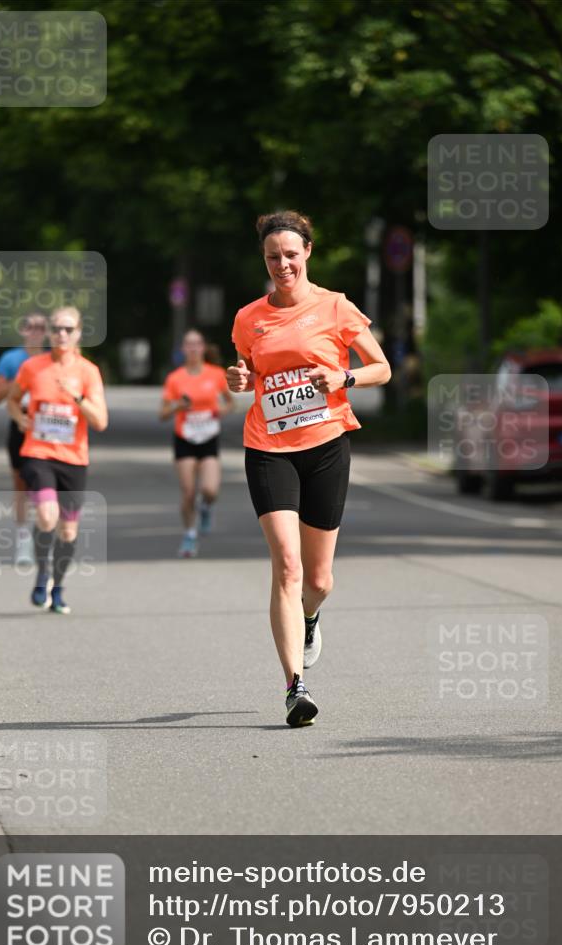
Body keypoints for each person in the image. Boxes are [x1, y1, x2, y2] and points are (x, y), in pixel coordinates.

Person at [227, 211, 390, 727]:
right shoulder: (248, 318)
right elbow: (251, 372)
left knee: (318, 580)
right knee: (288, 568)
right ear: (264, 259)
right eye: (273, 256)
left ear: (308, 253)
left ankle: (311, 617)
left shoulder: (336, 307)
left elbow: (382, 368)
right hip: (268, 447)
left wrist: (344, 377)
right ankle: (295, 687)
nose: (282, 265)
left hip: (325, 446)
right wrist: (240, 380)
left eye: (291, 255)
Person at [7, 306, 108, 613]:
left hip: (73, 459)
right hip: (38, 453)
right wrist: (19, 418)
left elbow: (100, 421)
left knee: (67, 531)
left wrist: (77, 397)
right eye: (56, 329)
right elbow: (12, 399)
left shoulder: (88, 371)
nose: (61, 334)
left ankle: (58, 587)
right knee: (47, 516)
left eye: (68, 329)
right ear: (49, 333)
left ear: (78, 333)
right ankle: (42, 574)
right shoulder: (32, 367)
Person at [160, 329, 234, 557]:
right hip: (185, 438)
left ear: (203, 347)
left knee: (210, 490)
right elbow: (162, 414)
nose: (192, 348)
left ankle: (206, 507)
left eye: (196, 344)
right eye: (188, 344)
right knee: (188, 492)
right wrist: (178, 406)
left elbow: (230, 403)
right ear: (183, 349)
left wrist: (219, 411)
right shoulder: (175, 378)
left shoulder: (216, 374)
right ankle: (190, 534)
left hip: (208, 437)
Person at [0, 313, 48, 565]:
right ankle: (23, 540)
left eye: (41, 327)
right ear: (23, 330)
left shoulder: (52, 359)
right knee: (21, 485)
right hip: (20, 425)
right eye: (31, 327)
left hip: (46, 427)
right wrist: (22, 378)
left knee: (46, 484)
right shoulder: (11, 359)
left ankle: (45, 536)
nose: (36, 331)